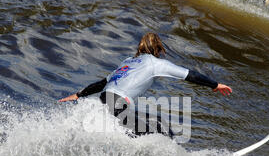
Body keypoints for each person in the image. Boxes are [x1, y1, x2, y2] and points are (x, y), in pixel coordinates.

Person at [59, 32, 232, 136]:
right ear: (158, 50)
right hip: (118, 102)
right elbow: (190, 75)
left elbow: (102, 83)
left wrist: (78, 94)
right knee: (159, 126)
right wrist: (215, 85)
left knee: (138, 129)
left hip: (106, 98)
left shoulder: (128, 62)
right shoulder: (156, 63)